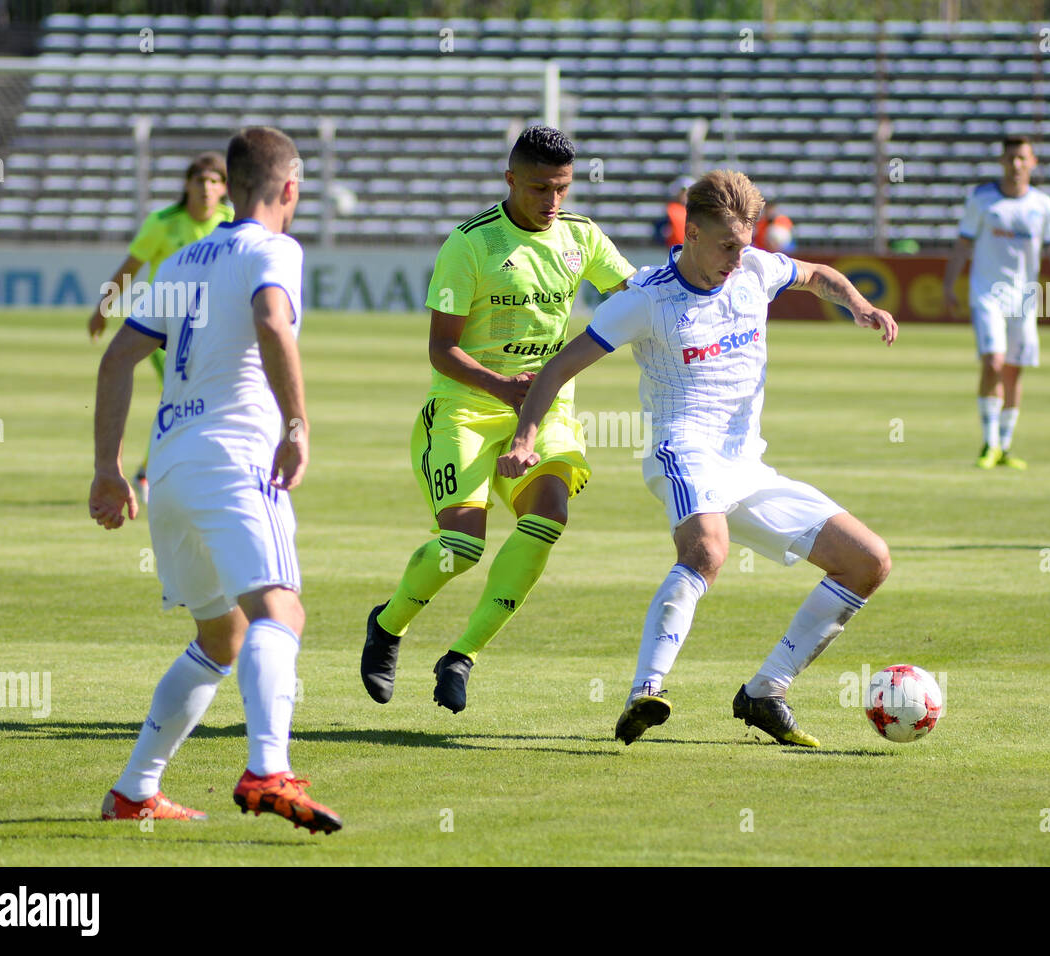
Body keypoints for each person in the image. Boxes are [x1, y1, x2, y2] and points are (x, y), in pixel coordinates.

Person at [498, 169, 897, 747]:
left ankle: (765, 692)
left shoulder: (755, 269)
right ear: (693, 231)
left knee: (869, 561)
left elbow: (815, 275)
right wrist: (524, 439)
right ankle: (645, 691)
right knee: (708, 549)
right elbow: (559, 366)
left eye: (746, 242)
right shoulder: (647, 299)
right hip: (682, 450)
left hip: (748, 468)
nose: (739, 257)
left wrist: (859, 304)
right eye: (727, 245)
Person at [89, 126, 340, 833]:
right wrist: (296, 424)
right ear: (289, 189)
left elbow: (116, 360)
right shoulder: (275, 249)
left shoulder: (182, 260)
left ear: (228, 185)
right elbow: (270, 319)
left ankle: (135, 790)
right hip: (236, 461)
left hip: (169, 469)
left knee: (222, 637)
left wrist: (109, 470)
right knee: (279, 612)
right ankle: (268, 770)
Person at [360, 126, 633, 713]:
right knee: (461, 545)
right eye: (540, 188)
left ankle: (461, 655)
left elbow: (634, 295)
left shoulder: (581, 237)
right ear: (510, 180)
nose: (552, 202)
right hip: (465, 407)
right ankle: (388, 624)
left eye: (562, 189)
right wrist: (503, 386)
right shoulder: (470, 244)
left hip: (547, 405)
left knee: (549, 515)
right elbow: (441, 350)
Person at [88, 151, 233, 502]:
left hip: (207, 330)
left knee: (191, 398)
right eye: (200, 180)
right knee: (182, 395)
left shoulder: (231, 220)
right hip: (162, 330)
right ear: (187, 185)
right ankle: (153, 473)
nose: (206, 188)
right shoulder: (163, 222)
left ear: (224, 188)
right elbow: (130, 267)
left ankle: (161, 470)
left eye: (214, 181)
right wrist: (104, 308)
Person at [944, 136, 1050, 470]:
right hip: (987, 294)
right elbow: (963, 245)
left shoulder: (1044, 205)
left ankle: (1004, 446)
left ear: (1033, 163)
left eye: (1022, 158)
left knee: (1013, 372)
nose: (1016, 164)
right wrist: (949, 284)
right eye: (1010, 158)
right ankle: (988, 443)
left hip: (1025, 299)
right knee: (993, 362)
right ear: (1001, 162)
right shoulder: (983, 200)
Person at [655, 176, 692, 248]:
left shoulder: (697, 211)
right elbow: (659, 230)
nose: (684, 195)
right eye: (682, 192)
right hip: (676, 251)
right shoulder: (671, 210)